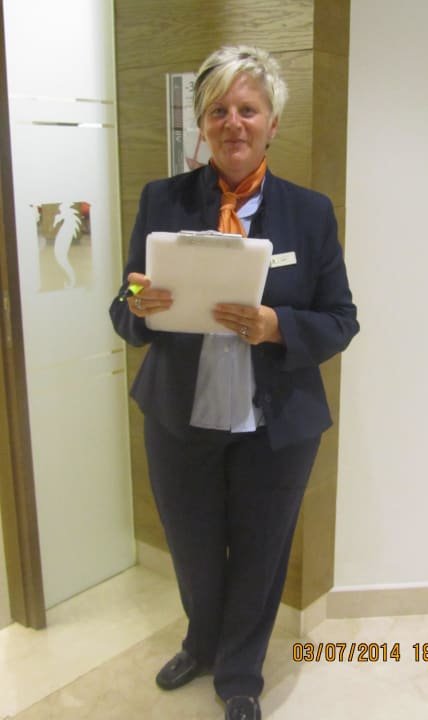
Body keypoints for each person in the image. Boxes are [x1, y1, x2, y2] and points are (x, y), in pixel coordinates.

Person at [109, 45, 359, 720]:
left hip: (274, 424)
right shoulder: (163, 200)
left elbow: (341, 320)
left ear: (273, 122)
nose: (233, 123)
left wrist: (278, 326)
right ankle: (201, 643)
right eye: (218, 110)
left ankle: (241, 672)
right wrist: (138, 306)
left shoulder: (310, 213)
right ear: (202, 123)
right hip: (179, 417)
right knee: (193, 549)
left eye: (248, 109)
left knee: (260, 552)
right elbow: (125, 306)